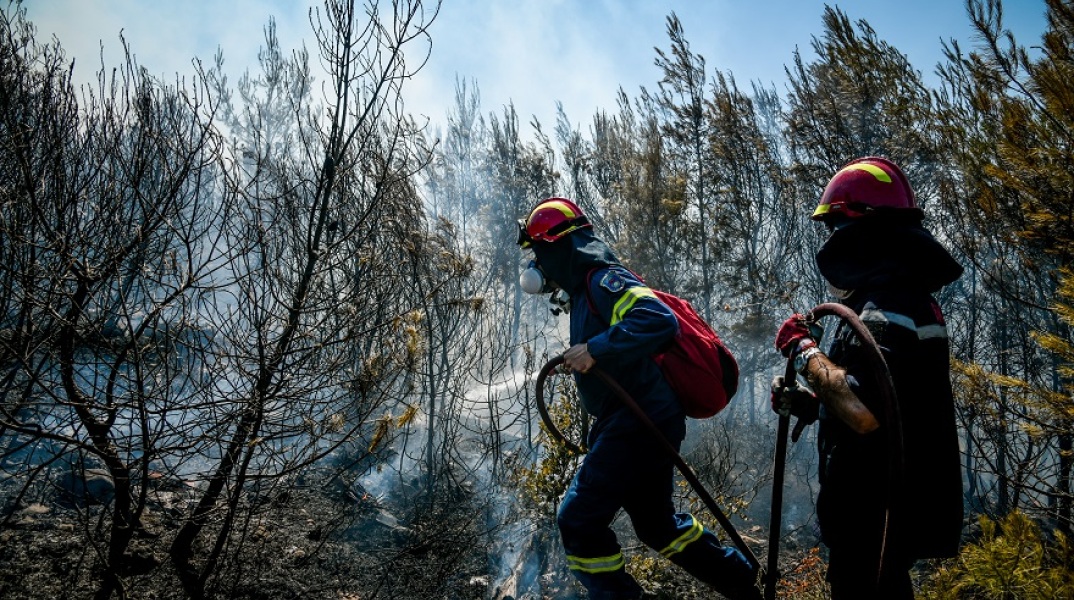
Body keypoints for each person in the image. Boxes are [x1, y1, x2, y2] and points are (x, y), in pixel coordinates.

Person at [517, 197, 760, 600]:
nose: (535, 266)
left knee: (577, 521)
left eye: (538, 254)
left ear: (557, 248)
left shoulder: (603, 280)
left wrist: (595, 348)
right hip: (639, 419)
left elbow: (656, 319)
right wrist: (587, 356)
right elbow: (619, 349)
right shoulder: (583, 292)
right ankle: (739, 581)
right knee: (656, 525)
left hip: (637, 420)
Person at [772, 157, 964, 599]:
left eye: (836, 225)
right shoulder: (898, 299)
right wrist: (810, 403)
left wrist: (803, 351)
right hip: (881, 514)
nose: (832, 239)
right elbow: (895, 403)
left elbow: (863, 413)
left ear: (864, 228)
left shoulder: (887, 307)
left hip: (871, 514)